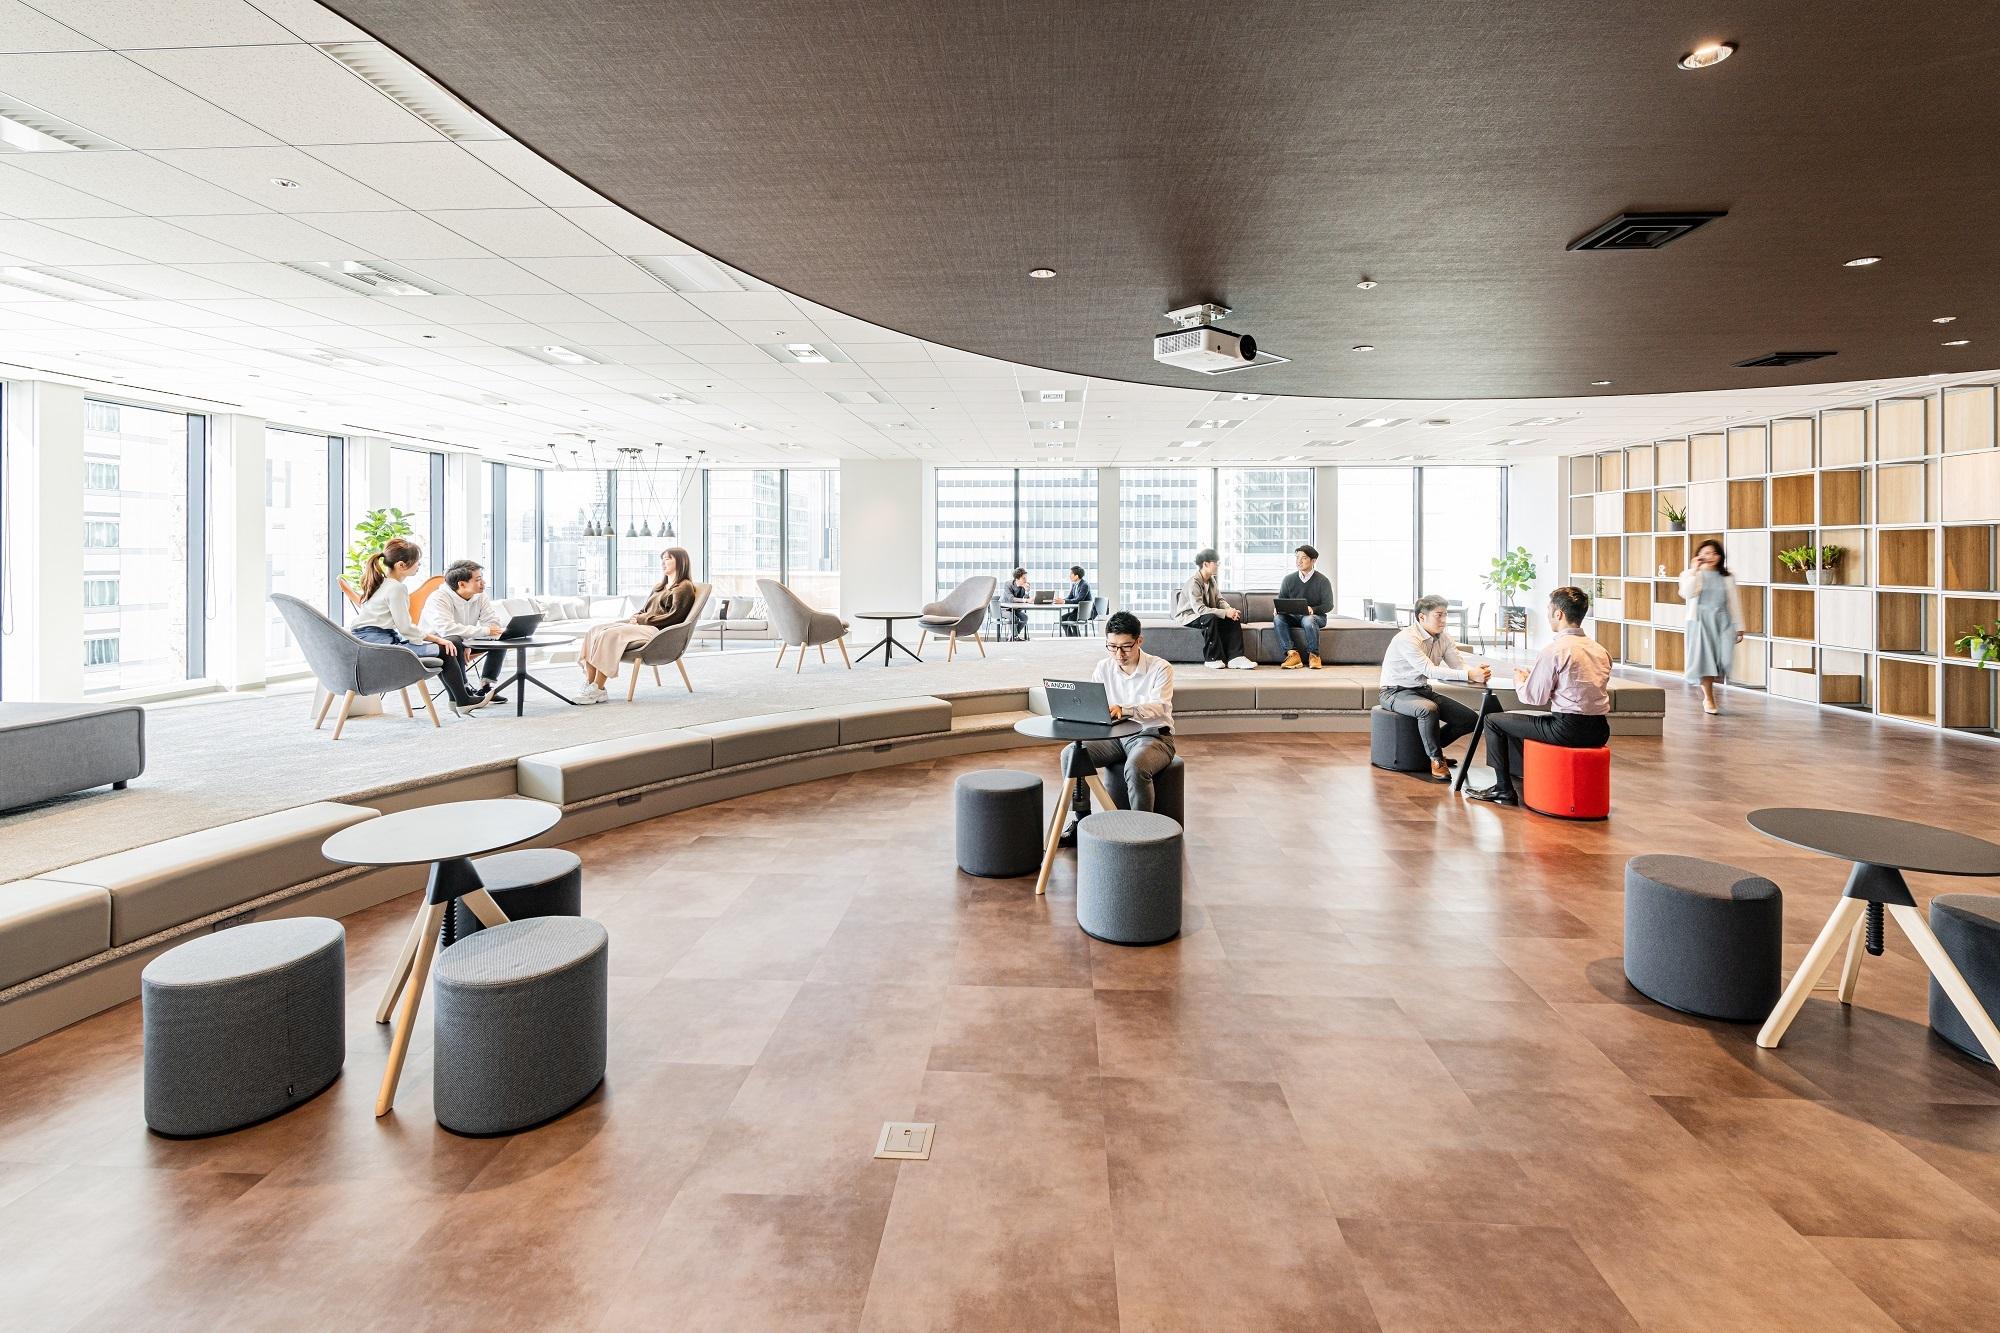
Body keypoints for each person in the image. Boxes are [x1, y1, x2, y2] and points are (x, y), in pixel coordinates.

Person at [1467, 586, 1612, 808]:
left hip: (1567, 730)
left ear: (1558, 614)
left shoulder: (1555, 650)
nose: (1547, 615)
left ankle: (1503, 788)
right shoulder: (1600, 650)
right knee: (1516, 723)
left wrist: (1520, 680)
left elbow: (1533, 697)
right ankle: (1523, 777)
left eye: (1548, 610)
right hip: (1600, 730)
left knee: (1493, 721)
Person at [1059, 610, 1176, 842]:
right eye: (1112, 647)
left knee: (1135, 767)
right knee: (1071, 755)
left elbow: (1160, 707)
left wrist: (1126, 709)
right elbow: (1096, 705)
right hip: (1115, 737)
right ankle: (1081, 821)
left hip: (1154, 736)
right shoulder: (1103, 667)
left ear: (1139, 641)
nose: (1118, 654)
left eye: (1125, 647)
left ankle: (1143, 835)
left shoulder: (1160, 668)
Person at [349, 537, 485, 715]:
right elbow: (405, 628)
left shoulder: (381, 584)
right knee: (446, 647)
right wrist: (437, 640)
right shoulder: (396, 588)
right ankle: (462, 700)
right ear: (401, 565)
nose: (419, 565)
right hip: (382, 648)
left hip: (371, 644)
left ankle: (458, 699)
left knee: (452, 641)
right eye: (416, 562)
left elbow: (399, 628)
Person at [1380, 593, 1494, 781]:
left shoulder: (1444, 637)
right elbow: (1430, 670)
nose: (1444, 620)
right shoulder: (1407, 638)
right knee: (1428, 710)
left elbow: (1458, 665)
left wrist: (1474, 671)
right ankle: (1436, 758)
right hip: (1394, 692)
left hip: (1421, 690)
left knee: (1470, 719)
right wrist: (1469, 675)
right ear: (1422, 617)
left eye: (1445, 615)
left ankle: (1426, 750)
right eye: (1438, 615)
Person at [576, 546, 697, 704]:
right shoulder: (659, 587)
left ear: (681, 562)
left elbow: (675, 617)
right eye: (662, 559)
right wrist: (636, 616)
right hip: (643, 626)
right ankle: (590, 684)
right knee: (594, 630)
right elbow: (645, 609)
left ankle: (598, 688)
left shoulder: (684, 587)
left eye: (668, 558)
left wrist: (643, 619)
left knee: (608, 635)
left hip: (658, 632)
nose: (663, 562)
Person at [422, 559, 507, 703]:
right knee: (454, 641)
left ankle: (487, 687)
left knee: (501, 637)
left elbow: (492, 622)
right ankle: (465, 689)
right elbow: (446, 629)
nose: (483, 583)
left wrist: (469, 641)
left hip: (464, 640)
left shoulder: (480, 595)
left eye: (482, 578)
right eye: (478, 580)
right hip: (439, 643)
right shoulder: (438, 598)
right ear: (461, 584)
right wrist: (467, 640)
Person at [1680, 539, 1746, 715]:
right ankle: (1709, 699)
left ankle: (1710, 689)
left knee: (1725, 660)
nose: (1710, 556)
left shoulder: (1728, 576)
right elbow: (1686, 593)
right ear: (1699, 555)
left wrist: (1739, 626)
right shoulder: (1690, 574)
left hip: (1723, 620)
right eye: (1706, 553)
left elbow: (1734, 602)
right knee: (1705, 661)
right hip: (1700, 621)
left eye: (1714, 553)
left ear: (1720, 556)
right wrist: (1694, 571)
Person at [1171, 548, 1255, 670]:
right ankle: (1212, 658)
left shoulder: (1211, 580)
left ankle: (1236, 658)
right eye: (1216, 563)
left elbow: (1219, 600)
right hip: (1190, 616)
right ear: (1205, 564)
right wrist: (1225, 612)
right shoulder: (1193, 583)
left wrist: (1230, 610)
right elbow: (1200, 610)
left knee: (1233, 618)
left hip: (1206, 614)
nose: (1218, 566)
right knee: (1210, 619)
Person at [1274, 543, 1334, 669]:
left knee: (1308, 619)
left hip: (1316, 617)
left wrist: (1313, 609)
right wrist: (1278, 609)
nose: (1299, 561)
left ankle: (1314, 655)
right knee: (1278, 618)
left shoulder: (1323, 581)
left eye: (1304, 558)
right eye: (1297, 557)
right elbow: (1281, 599)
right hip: (1294, 616)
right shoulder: (1288, 579)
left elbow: (1329, 605)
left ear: (1313, 561)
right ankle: (1293, 655)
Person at [1059, 565, 1092, 636]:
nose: (1069, 576)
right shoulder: (1074, 585)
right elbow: (1070, 597)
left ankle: (1077, 637)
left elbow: (1078, 600)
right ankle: (1070, 637)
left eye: (1071, 574)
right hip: (1077, 611)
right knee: (1062, 618)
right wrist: (1062, 600)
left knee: (1071, 618)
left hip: (1084, 612)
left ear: (1076, 576)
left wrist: (1064, 602)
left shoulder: (1084, 585)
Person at [1004, 567, 1031, 641]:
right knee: (1012, 617)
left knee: (1025, 617)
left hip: (1015, 610)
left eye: (1026, 577)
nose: (1026, 580)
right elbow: (1011, 599)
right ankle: (1015, 637)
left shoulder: (1025, 585)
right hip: (1004, 609)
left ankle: (1013, 635)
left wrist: (1027, 591)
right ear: (1017, 579)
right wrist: (1026, 600)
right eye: (1023, 578)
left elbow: (1026, 599)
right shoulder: (1008, 584)